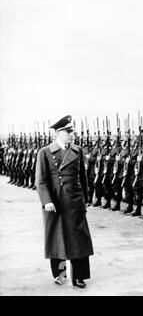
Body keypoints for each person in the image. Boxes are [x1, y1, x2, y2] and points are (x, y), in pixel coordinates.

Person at [35, 115, 94, 288]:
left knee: (78, 239)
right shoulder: (45, 152)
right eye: (68, 131)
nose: (72, 134)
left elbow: (82, 177)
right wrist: (46, 201)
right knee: (58, 238)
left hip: (75, 201)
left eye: (72, 131)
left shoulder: (77, 150)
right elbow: (41, 180)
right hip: (56, 202)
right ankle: (60, 273)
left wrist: (85, 199)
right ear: (58, 133)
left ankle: (79, 276)